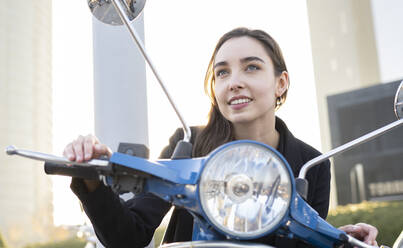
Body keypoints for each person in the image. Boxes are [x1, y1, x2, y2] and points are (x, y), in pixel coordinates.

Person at [64, 27, 378, 247]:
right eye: (222, 72)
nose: (233, 83)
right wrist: (90, 177)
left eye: (251, 68)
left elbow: (304, 242)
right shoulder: (188, 143)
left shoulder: (312, 163)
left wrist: (337, 239)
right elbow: (127, 237)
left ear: (281, 82)